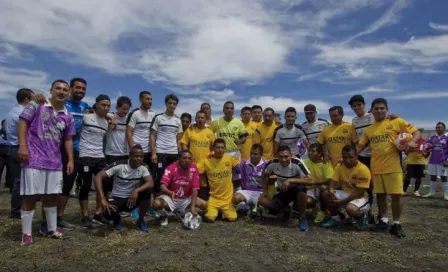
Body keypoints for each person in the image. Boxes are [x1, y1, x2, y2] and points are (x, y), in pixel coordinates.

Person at [17, 80, 75, 245]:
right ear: (51, 90)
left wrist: (70, 159)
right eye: (58, 88)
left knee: (52, 196)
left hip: (55, 161)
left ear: (68, 94)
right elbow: (23, 122)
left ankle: (52, 228)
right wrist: (22, 146)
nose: (61, 92)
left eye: (65, 90)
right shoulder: (37, 104)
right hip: (34, 158)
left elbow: (68, 139)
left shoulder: (67, 115)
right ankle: (26, 234)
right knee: (30, 196)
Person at [357, 98, 421, 238]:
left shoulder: (396, 122)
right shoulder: (369, 130)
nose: (379, 111)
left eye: (382, 108)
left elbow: (416, 132)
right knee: (380, 195)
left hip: (393, 167)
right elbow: (360, 146)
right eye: (376, 108)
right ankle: (384, 221)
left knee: (396, 196)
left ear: (386, 109)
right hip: (376, 168)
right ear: (372, 111)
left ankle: (396, 223)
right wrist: (348, 157)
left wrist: (413, 141)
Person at [94, 145, 153, 232]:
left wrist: (137, 190)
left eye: (141, 156)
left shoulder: (143, 167)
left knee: (147, 191)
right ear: (130, 156)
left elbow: (150, 183)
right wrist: (102, 198)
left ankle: (140, 221)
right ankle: (116, 219)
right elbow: (98, 177)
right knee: (107, 212)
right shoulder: (120, 165)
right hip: (118, 197)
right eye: (136, 156)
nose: (139, 158)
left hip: (132, 198)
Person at [57, 78, 91, 229]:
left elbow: (99, 110)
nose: (81, 91)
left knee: (69, 183)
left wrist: (110, 116)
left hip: (76, 150)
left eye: (83, 89)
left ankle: (60, 217)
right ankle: (54, 218)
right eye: (78, 88)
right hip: (56, 149)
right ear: (71, 88)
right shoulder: (62, 103)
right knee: (57, 185)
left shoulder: (85, 106)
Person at [258, 145, 311, 231]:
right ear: (277, 156)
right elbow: (264, 175)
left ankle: (302, 217)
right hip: (282, 191)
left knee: (301, 189)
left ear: (291, 155)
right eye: (281, 157)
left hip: (296, 190)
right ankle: (286, 209)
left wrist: (290, 180)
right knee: (268, 206)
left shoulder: (297, 163)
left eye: (286, 156)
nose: (283, 160)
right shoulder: (273, 163)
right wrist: (265, 191)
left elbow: (310, 180)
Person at [78, 95, 111, 228]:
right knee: (85, 186)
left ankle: (98, 214)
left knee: (102, 186)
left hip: (100, 156)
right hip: (85, 155)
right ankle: (85, 216)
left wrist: (110, 117)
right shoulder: (86, 117)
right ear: (96, 105)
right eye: (103, 105)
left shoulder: (106, 122)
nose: (106, 108)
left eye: (108, 106)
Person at [320, 145, 371, 230]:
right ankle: (336, 218)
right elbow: (332, 182)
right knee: (326, 193)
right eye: (344, 157)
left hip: (361, 198)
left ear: (356, 156)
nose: (347, 160)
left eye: (351, 157)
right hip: (346, 195)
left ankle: (362, 218)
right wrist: (331, 191)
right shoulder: (340, 166)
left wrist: (341, 202)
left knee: (351, 209)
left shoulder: (363, 169)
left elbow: (359, 193)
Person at [153, 150, 207, 226]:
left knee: (206, 205)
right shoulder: (171, 167)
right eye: (184, 158)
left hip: (186, 198)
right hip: (171, 198)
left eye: (189, 158)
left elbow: (195, 189)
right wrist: (169, 192)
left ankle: (186, 212)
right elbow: (162, 185)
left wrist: (193, 207)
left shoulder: (194, 168)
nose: (187, 160)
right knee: (156, 204)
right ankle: (164, 214)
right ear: (179, 158)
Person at [6, 88, 34, 219]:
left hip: (12, 147)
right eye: (32, 99)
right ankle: (17, 210)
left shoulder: (12, 111)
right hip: (20, 147)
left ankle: (17, 208)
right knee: (20, 181)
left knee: (18, 181)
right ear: (27, 99)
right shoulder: (22, 113)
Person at [197, 139, 239, 222]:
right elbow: (194, 170)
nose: (220, 150)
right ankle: (214, 210)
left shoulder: (229, 158)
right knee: (210, 219)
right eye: (218, 147)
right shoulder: (206, 161)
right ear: (213, 148)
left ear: (225, 149)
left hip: (227, 199)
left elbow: (241, 166)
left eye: (222, 148)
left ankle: (222, 211)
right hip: (214, 198)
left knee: (232, 219)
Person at [151, 94, 183, 193]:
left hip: (173, 153)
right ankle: (157, 203)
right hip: (160, 152)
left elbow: (178, 140)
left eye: (174, 104)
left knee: (173, 177)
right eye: (170, 103)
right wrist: (153, 153)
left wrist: (180, 154)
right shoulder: (158, 118)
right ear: (166, 104)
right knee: (159, 177)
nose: (172, 105)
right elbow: (152, 135)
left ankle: (168, 202)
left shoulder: (178, 120)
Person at [180, 111, 215, 199]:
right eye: (198, 117)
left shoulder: (210, 132)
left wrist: (211, 155)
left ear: (206, 120)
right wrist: (186, 156)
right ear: (195, 119)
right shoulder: (190, 130)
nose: (200, 119)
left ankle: (202, 204)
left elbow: (213, 147)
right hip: (191, 163)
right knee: (190, 184)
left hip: (205, 164)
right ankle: (188, 203)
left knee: (203, 185)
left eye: (202, 118)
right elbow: (184, 143)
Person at [302, 143, 333, 224]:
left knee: (323, 187)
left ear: (319, 153)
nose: (310, 153)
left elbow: (329, 180)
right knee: (307, 201)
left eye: (313, 151)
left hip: (321, 189)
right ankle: (314, 208)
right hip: (310, 189)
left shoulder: (326, 163)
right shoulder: (304, 162)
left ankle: (322, 211)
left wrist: (314, 182)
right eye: (309, 151)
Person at [232, 144, 267, 212]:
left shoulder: (266, 165)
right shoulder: (243, 164)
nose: (252, 156)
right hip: (246, 192)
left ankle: (249, 206)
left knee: (266, 203)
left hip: (260, 193)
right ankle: (249, 206)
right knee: (235, 198)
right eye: (251, 153)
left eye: (255, 154)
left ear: (261, 154)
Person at [126, 91, 156, 166]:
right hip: (137, 152)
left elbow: (154, 134)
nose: (150, 101)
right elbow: (129, 132)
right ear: (140, 100)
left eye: (151, 99)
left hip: (149, 152)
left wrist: (153, 152)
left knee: (149, 175)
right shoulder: (135, 113)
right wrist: (133, 150)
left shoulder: (153, 114)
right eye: (147, 99)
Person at [422, 122, 448, 199]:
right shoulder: (432, 137)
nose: (437, 129)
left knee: (444, 177)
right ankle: (431, 193)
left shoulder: (447, 137)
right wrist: (424, 148)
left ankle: (446, 194)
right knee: (432, 177)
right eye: (436, 127)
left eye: (439, 127)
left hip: (443, 161)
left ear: (444, 128)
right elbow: (425, 145)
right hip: (432, 161)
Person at [0, 119, 10, 190]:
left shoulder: (11, 133)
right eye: (5, 123)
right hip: (1, 156)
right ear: (2, 124)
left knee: (10, 172)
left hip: (10, 155)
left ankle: (8, 185)